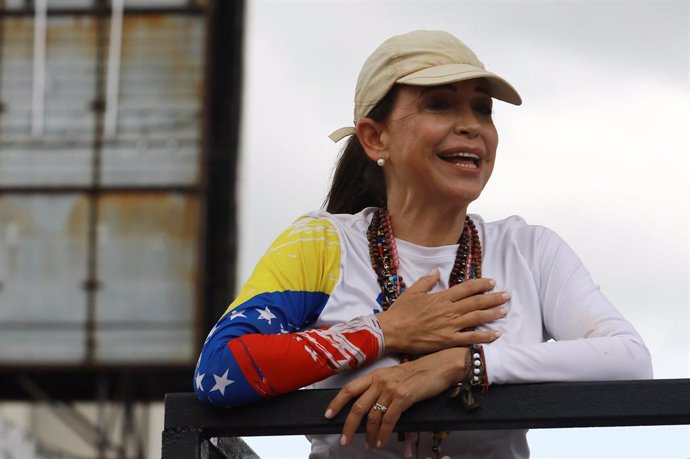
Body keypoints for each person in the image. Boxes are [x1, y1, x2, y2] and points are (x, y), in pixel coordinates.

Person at [194, 30, 652, 458]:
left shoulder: (530, 250)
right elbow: (219, 372)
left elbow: (630, 361)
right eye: (439, 104)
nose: (471, 126)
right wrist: (385, 332)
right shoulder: (323, 243)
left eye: (483, 109)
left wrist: (463, 364)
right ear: (376, 137)